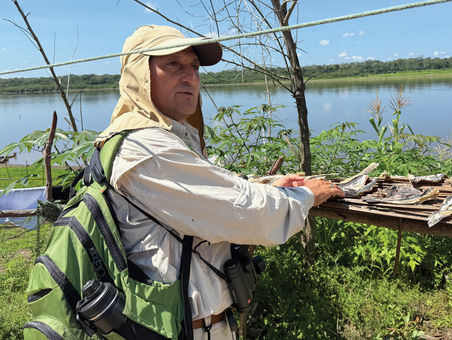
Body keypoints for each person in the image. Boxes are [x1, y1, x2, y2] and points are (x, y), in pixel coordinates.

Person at [94, 25, 344, 340]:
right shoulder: (145, 149)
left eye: (195, 67)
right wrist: (307, 195)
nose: (190, 77)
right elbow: (250, 215)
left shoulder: (157, 138)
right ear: (138, 73)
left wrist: (269, 188)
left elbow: (214, 194)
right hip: (181, 331)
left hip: (189, 326)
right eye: (173, 64)